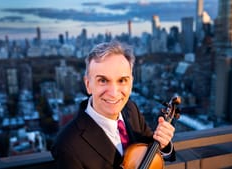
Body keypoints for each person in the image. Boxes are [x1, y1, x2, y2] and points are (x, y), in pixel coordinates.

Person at [51, 41, 176, 169]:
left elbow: (151, 149)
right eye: (103, 80)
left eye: (122, 80)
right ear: (88, 84)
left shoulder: (131, 109)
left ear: (131, 83)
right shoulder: (67, 144)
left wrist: (164, 144)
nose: (113, 93)